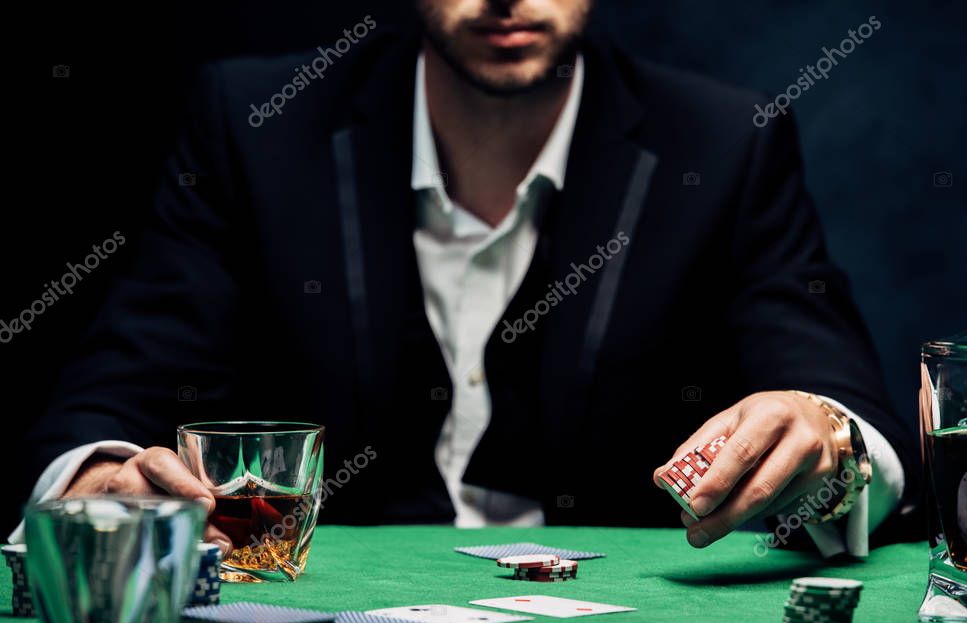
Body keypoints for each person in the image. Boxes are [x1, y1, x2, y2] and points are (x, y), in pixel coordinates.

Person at [11, 0, 917, 559]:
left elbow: (845, 407)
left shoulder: (721, 144)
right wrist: (101, 477)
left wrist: (827, 437)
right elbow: (113, 393)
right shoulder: (255, 126)